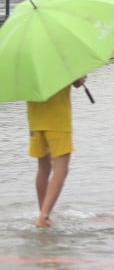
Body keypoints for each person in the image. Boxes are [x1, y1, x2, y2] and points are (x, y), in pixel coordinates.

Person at [27, 75, 87, 228]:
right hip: (58, 119)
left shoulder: (27, 56)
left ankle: (43, 213)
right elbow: (77, 82)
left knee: (43, 167)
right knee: (61, 169)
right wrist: (82, 77)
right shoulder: (60, 54)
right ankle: (44, 216)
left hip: (35, 118)